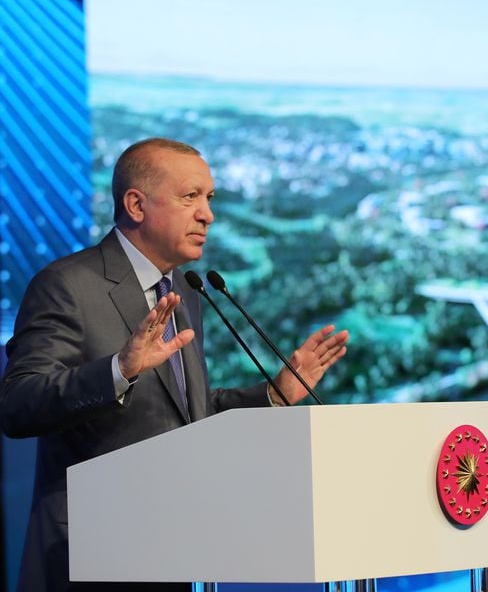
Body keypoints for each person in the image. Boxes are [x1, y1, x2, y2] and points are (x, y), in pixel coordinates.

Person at [0, 138, 349, 592]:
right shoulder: (66, 285)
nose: (208, 214)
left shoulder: (184, 292)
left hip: (173, 549)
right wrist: (118, 370)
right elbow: (18, 404)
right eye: (191, 196)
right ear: (136, 204)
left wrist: (273, 394)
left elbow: (188, 413)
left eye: (209, 198)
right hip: (90, 558)